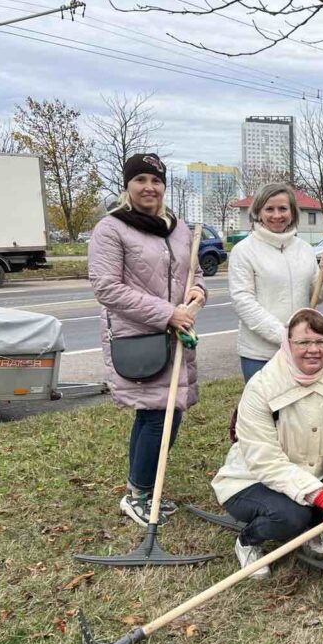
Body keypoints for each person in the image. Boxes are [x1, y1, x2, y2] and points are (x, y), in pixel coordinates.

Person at [89, 153, 206, 526]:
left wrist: (198, 294)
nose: (149, 187)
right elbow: (107, 288)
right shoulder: (111, 229)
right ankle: (138, 494)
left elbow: (196, 272)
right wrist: (167, 313)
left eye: (156, 181)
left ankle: (139, 489)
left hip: (176, 333)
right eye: (140, 180)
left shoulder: (177, 227)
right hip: (140, 336)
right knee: (159, 416)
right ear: (127, 185)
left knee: (160, 413)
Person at [211, 309, 323, 578]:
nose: (313, 350)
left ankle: (310, 531)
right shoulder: (262, 387)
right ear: (287, 344)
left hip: (310, 475)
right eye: (303, 342)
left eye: (321, 342)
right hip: (250, 480)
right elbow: (265, 461)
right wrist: (321, 497)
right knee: (292, 517)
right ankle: (248, 541)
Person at [228, 182, 323, 382]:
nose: (277, 215)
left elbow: (315, 295)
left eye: (283, 208)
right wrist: (285, 336)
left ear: (292, 212)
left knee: (300, 411)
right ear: (258, 212)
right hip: (261, 354)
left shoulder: (304, 249)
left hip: (301, 352)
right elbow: (243, 302)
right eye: (269, 209)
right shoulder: (244, 251)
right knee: (266, 412)